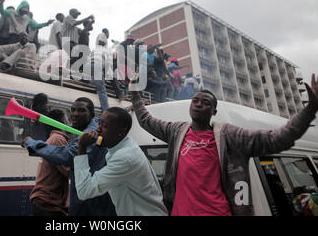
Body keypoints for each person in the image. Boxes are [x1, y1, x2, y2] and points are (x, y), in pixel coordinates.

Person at [129, 73, 318, 216]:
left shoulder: (230, 136)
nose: (199, 104)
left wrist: (309, 111)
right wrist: (135, 95)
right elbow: (147, 121)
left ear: (214, 110)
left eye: (206, 102)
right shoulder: (177, 131)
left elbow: (276, 139)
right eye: (195, 100)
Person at [22, 97, 116, 216]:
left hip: (91, 201)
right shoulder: (91, 128)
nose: (75, 114)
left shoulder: (91, 132)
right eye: (72, 110)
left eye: (81, 110)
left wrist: (32, 144)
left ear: (91, 114)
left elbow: (70, 156)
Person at [74, 107, 168, 216]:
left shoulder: (124, 157)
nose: (98, 129)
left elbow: (84, 191)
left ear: (121, 132)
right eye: (99, 123)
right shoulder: (124, 146)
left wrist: (81, 147)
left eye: (104, 126)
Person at [30, 109, 70, 216]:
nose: (69, 123)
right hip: (49, 201)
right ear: (62, 121)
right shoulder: (58, 139)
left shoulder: (52, 139)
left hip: (44, 199)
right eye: (67, 120)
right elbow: (67, 170)